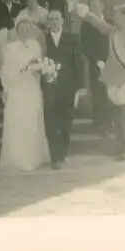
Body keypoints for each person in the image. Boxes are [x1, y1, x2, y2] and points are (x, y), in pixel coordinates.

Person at [71, 0, 125, 160]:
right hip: (113, 77)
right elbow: (98, 23)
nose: (113, 17)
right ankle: (120, 146)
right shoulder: (114, 32)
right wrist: (82, 11)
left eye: (116, 15)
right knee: (116, 114)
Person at [0, 16, 50, 172]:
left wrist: (40, 69)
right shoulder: (10, 48)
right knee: (19, 121)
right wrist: (23, 68)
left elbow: (40, 65)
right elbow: (6, 71)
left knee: (33, 121)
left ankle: (34, 157)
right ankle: (19, 159)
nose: (25, 32)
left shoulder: (36, 46)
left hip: (32, 87)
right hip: (18, 87)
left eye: (28, 29)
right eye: (22, 29)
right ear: (17, 31)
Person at [42, 9, 83, 169]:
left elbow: (79, 62)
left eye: (56, 18)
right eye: (50, 19)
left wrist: (81, 86)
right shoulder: (43, 39)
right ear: (47, 22)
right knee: (51, 121)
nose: (54, 22)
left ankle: (63, 151)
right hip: (50, 86)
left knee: (66, 122)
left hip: (68, 86)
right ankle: (55, 157)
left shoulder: (72, 38)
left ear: (62, 20)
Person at [80, 0, 113, 138]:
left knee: (110, 93)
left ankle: (109, 122)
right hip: (95, 64)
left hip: (111, 63)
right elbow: (85, 45)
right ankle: (99, 123)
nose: (95, 8)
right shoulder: (86, 25)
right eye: (92, 6)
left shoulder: (110, 23)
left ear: (102, 7)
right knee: (98, 92)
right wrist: (96, 61)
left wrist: (108, 60)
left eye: (97, 6)